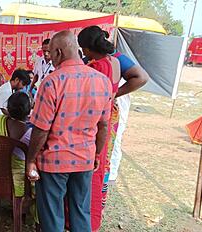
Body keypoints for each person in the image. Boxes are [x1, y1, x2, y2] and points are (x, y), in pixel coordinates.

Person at [26, 31, 112, 232]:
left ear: (58, 52)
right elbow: (104, 126)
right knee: (81, 212)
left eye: (51, 53)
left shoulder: (52, 82)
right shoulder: (102, 81)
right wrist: (97, 153)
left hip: (54, 162)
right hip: (84, 160)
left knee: (52, 215)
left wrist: (31, 160)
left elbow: (41, 130)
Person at [78, 25, 121, 232]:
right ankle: (93, 220)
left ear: (87, 47)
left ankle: (84, 222)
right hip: (110, 117)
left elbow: (86, 104)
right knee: (101, 165)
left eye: (83, 48)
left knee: (89, 171)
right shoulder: (115, 63)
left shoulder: (95, 68)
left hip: (97, 122)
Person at [107, 52, 149, 182]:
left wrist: (114, 94)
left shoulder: (118, 58)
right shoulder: (91, 58)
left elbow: (142, 78)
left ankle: (111, 174)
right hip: (102, 107)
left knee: (114, 138)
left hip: (114, 106)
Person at [0, 91, 32, 197]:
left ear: (8, 108)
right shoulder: (30, 134)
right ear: (28, 111)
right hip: (17, 183)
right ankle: (26, 207)